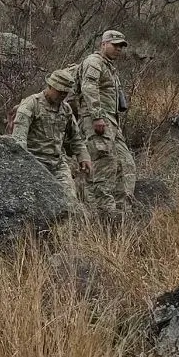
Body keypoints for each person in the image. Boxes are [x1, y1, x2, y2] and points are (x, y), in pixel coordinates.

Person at [11, 68, 92, 212]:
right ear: (50, 86)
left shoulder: (66, 109)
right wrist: (24, 167)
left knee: (69, 203)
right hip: (35, 163)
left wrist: (83, 156)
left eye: (65, 93)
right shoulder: (31, 104)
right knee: (37, 206)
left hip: (57, 164)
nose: (62, 96)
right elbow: (18, 140)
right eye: (60, 91)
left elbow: (75, 137)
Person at [77, 30, 135, 220]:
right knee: (103, 164)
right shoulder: (94, 62)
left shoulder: (109, 67)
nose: (118, 49)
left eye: (121, 46)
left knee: (125, 164)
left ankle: (121, 212)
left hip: (111, 121)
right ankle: (101, 214)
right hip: (98, 120)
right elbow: (88, 87)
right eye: (115, 45)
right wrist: (96, 116)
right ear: (103, 44)